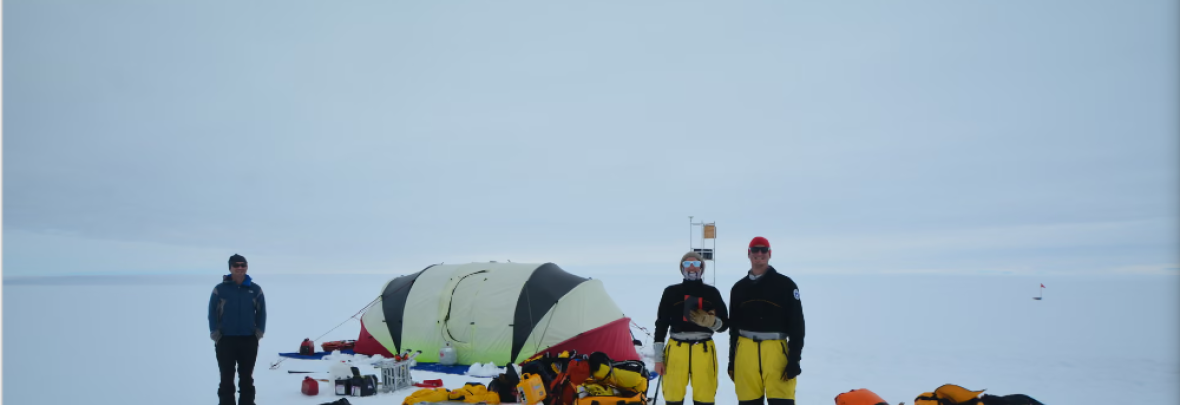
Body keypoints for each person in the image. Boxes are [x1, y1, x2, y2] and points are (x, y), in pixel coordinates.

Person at [728, 237, 805, 405]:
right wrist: (732, 361)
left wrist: (794, 360)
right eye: (755, 250)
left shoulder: (786, 285)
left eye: (764, 250)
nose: (759, 253)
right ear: (749, 254)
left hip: (776, 353)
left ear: (770, 254)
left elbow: (797, 326)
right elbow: (733, 329)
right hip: (745, 352)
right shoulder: (739, 288)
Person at [653, 251, 729, 405]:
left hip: (704, 349)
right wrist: (658, 359)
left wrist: (711, 322)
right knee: (673, 397)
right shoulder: (671, 292)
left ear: (702, 267)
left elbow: (725, 325)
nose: (692, 267)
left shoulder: (711, 293)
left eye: (696, 263)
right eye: (687, 263)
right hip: (676, 349)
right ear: (682, 268)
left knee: (705, 397)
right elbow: (661, 325)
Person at [209, 254, 267, 405]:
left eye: (243, 265)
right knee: (226, 377)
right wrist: (215, 333)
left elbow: (261, 312)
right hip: (225, 340)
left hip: (249, 339)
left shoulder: (255, 289)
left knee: (246, 377)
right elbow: (212, 312)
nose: (240, 268)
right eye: (236, 265)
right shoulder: (220, 289)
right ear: (230, 268)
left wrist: (258, 332)